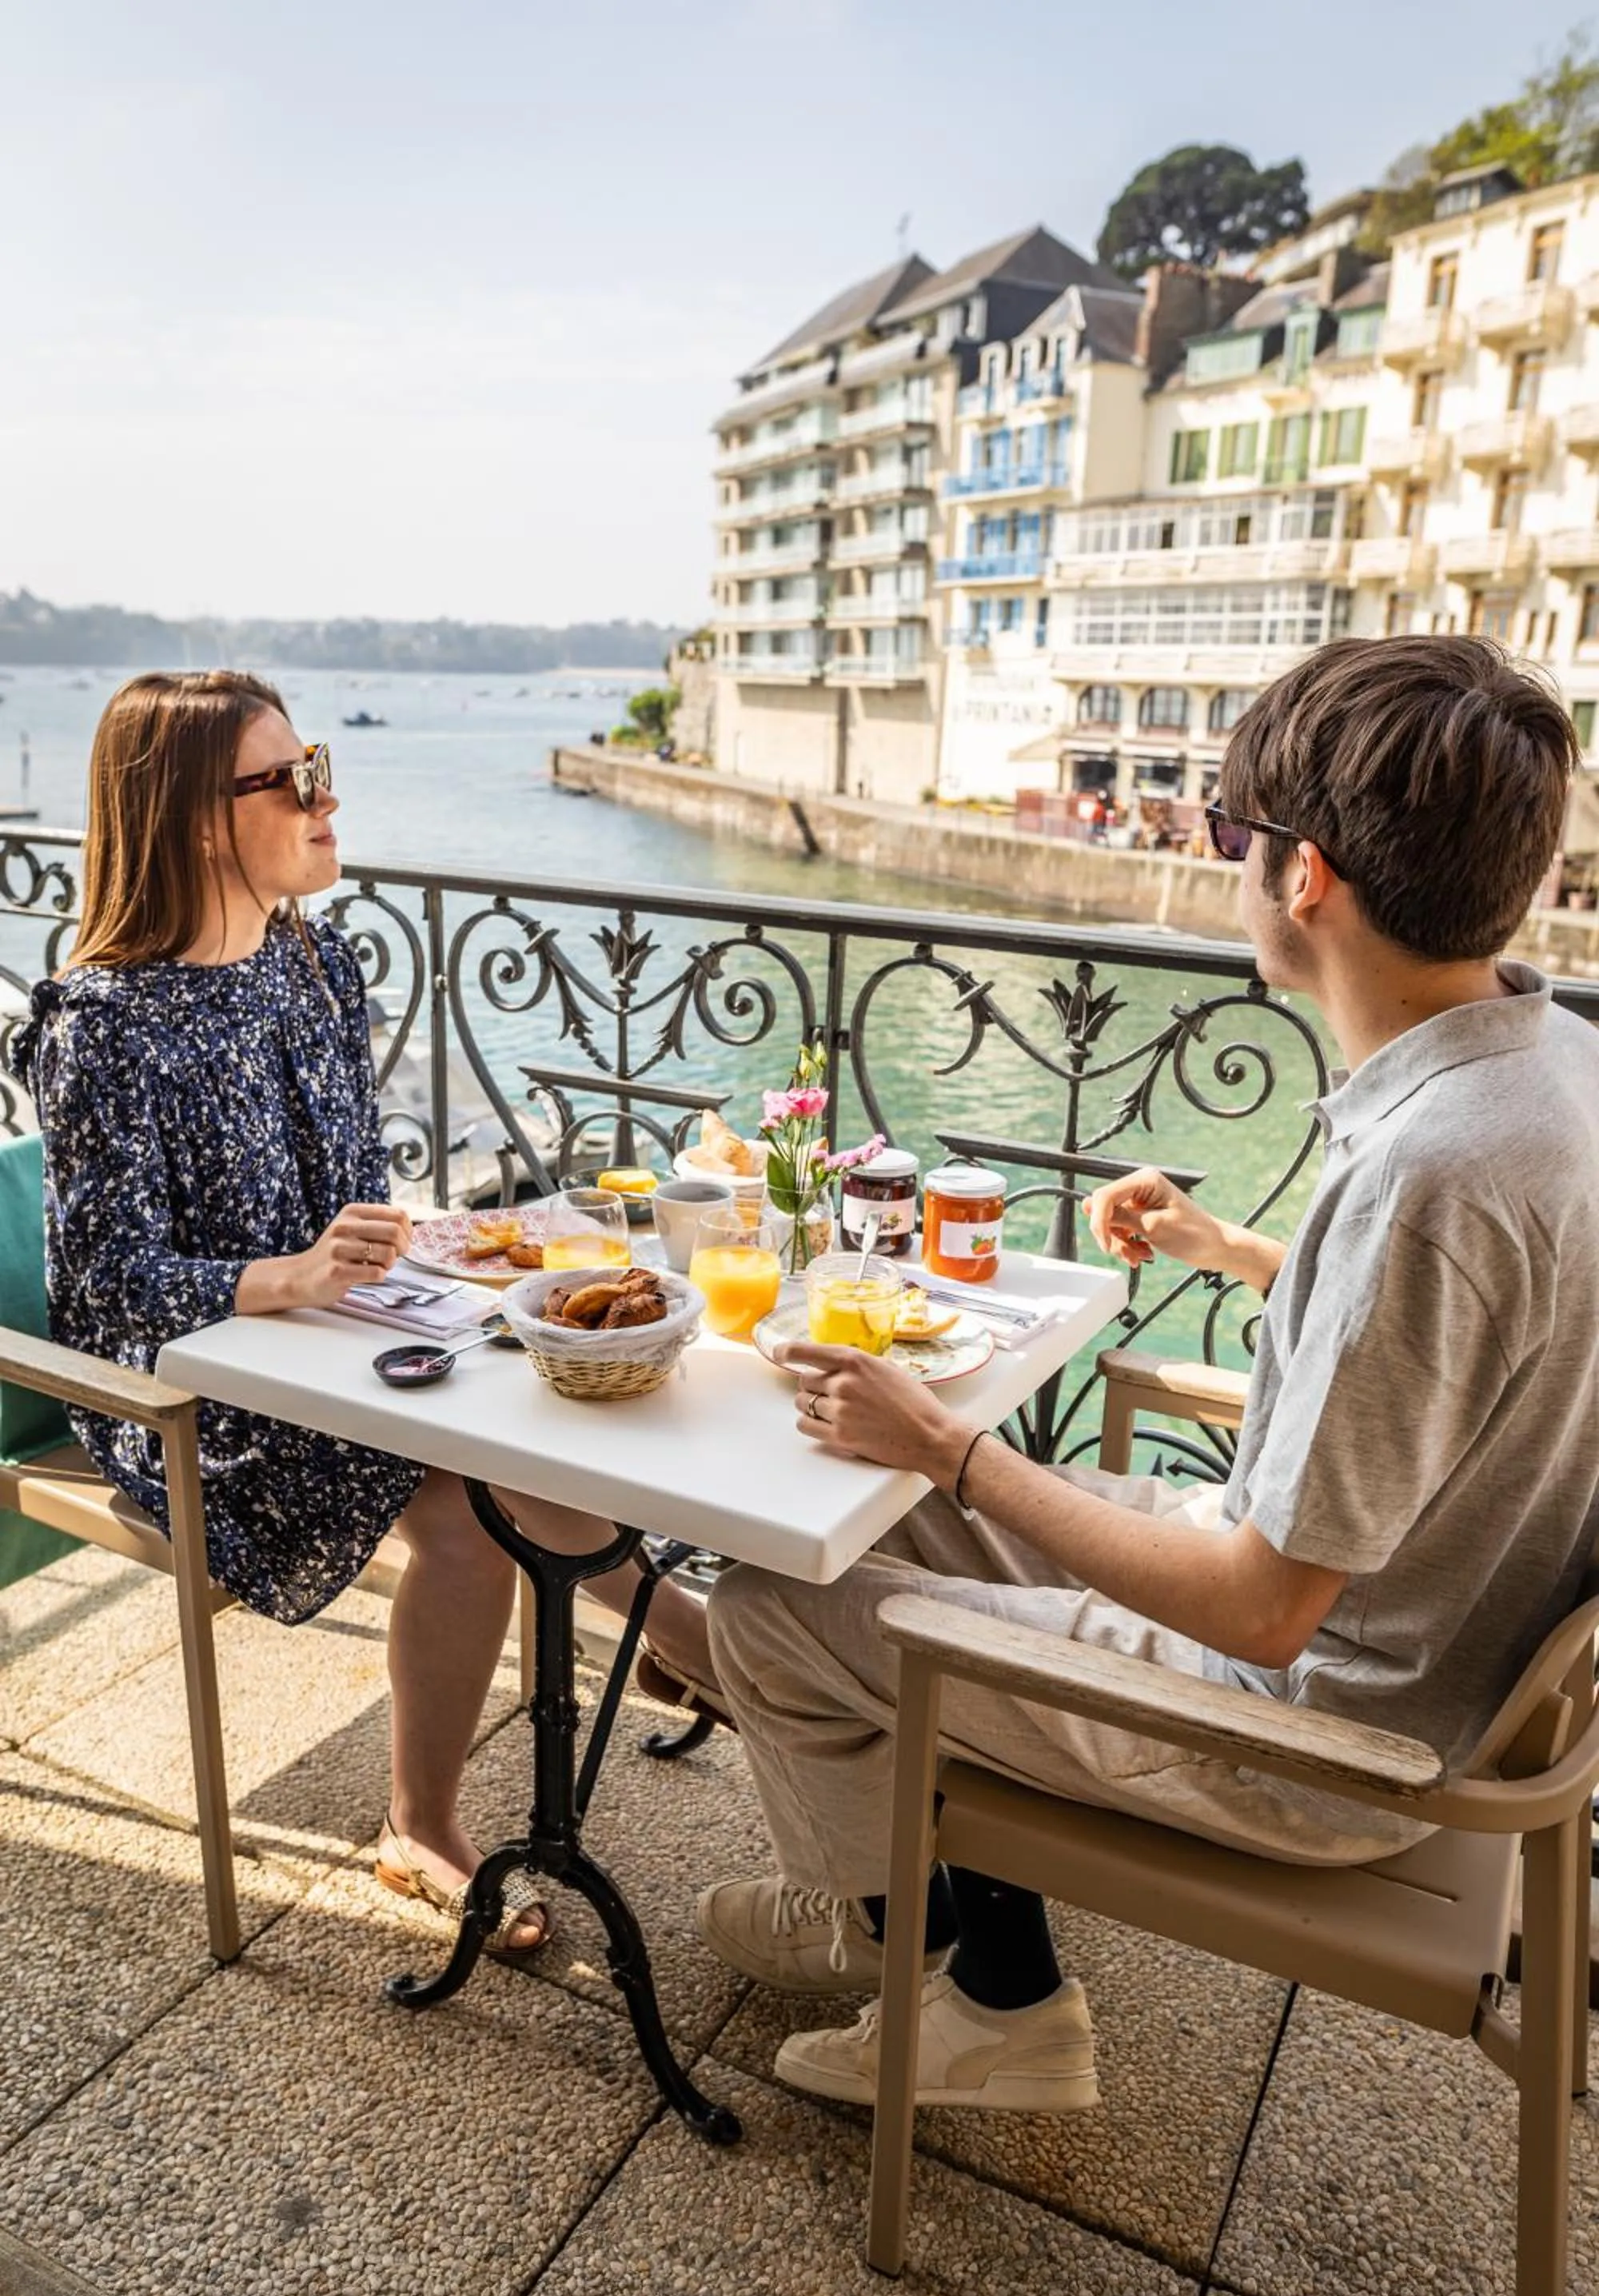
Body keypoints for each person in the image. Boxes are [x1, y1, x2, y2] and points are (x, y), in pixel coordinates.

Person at [692, 636, 1599, 2115]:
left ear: (1305, 879)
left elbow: (1258, 1609)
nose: (1227, 865)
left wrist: (957, 1453)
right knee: (870, 1518)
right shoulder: (1552, 1071)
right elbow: (1455, 1350)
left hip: (1311, 1736)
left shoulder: (1428, 1175)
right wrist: (1234, 1250)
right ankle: (898, 1912)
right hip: (1428, 1656)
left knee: (772, 1608)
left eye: (1234, 838)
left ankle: (947, 1974)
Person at [18, 671, 706, 1955]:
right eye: (294, 781)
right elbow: (106, 1289)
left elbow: (350, 1195)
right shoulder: (103, 1027)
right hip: (196, 1399)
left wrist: (424, 1251)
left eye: (320, 764)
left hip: (341, 1340)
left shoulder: (313, 962)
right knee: (470, 1510)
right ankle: (431, 1819)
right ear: (195, 817)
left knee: (541, 1396)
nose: (328, 800)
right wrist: (286, 1278)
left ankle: (689, 1645)